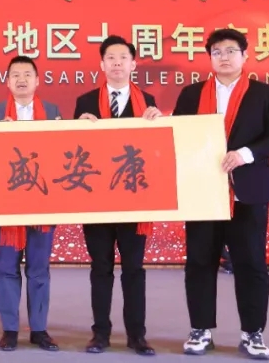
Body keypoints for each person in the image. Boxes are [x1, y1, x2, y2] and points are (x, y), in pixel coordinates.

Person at [173, 28, 269, 360]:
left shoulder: (265, 94)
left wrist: (245, 154)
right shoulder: (192, 94)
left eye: (230, 51)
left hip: (247, 192)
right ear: (209, 57)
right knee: (199, 262)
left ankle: (252, 333)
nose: (223, 57)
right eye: (217, 52)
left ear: (244, 55)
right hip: (203, 191)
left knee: (251, 263)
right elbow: (177, 134)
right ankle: (200, 329)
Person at [73, 35, 162, 356]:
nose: (117, 63)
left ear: (133, 64)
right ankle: (100, 334)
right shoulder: (85, 101)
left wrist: (158, 123)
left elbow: (155, 150)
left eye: (123, 57)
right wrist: (77, 125)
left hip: (134, 202)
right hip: (97, 202)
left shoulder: (147, 101)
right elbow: (74, 150)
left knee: (134, 269)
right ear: (102, 64)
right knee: (101, 269)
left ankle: (137, 335)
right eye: (110, 58)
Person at [0, 55, 62, 352]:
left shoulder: (52, 112)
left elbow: (61, 154)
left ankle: (39, 330)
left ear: (37, 81)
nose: (22, 79)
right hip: (7, 203)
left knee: (39, 268)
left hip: (42, 202)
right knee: (7, 268)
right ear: (8, 81)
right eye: (15, 75)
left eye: (27, 74)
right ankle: (10, 329)